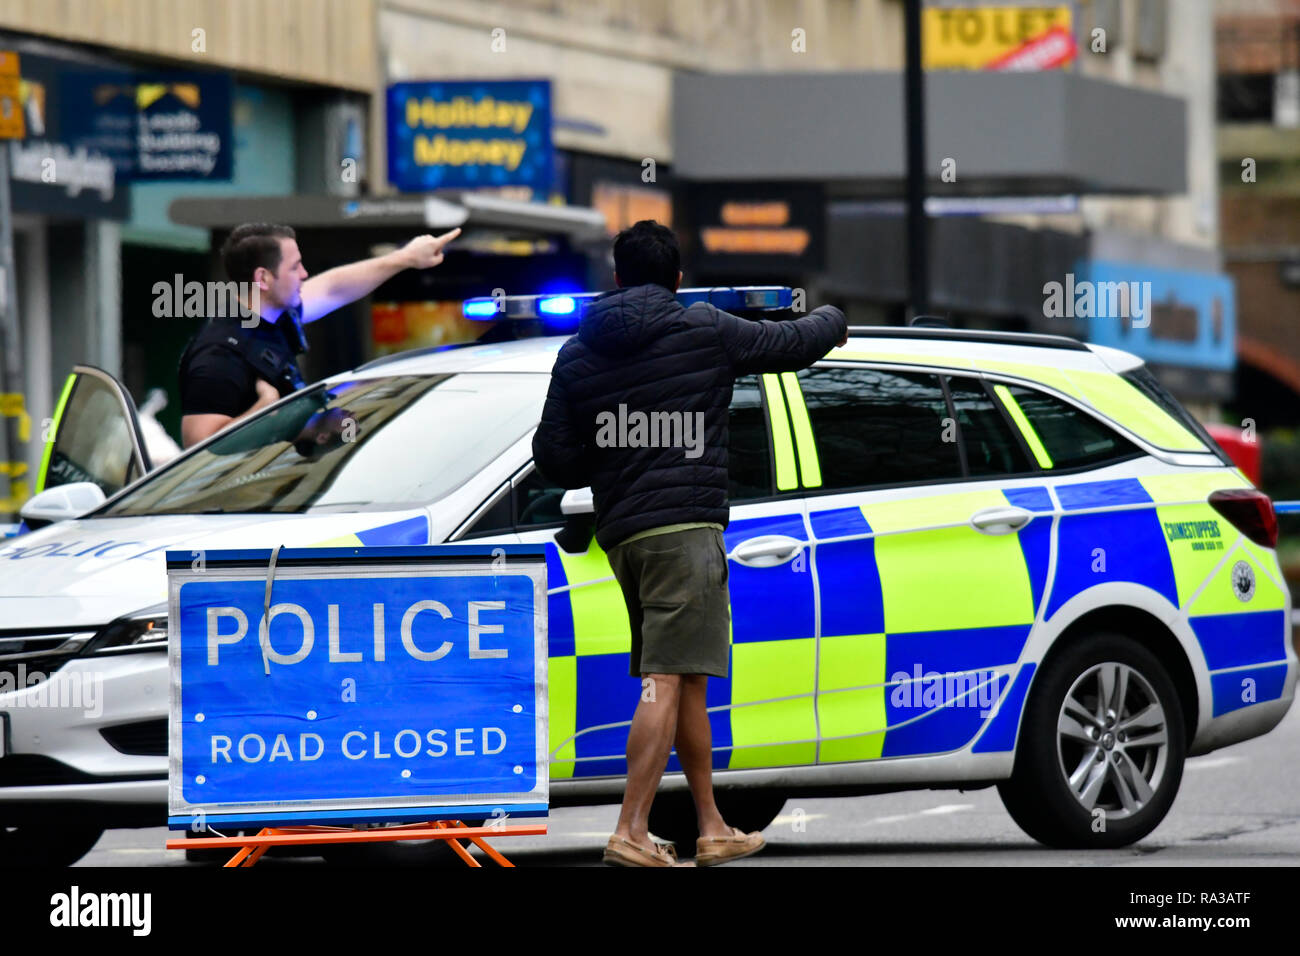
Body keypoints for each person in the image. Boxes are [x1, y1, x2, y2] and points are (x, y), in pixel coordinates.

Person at [532, 220, 847, 867]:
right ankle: (630, 829)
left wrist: (615, 454)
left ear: (615, 277)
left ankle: (711, 826)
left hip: (625, 538)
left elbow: (554, 458)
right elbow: (790, 343)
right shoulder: (702, 327)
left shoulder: (577, 352)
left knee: (685, 680)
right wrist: (836, 315)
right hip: (686, 532)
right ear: (676, 279)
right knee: (663, 680)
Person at [177, 222, 459, 447]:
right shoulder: (220, 353)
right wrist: (265, 411)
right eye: (294, 266)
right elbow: (199, 446)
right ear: (263, 278)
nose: (304, 274)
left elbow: (333, 288)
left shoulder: (279, 317)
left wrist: (407, 257)